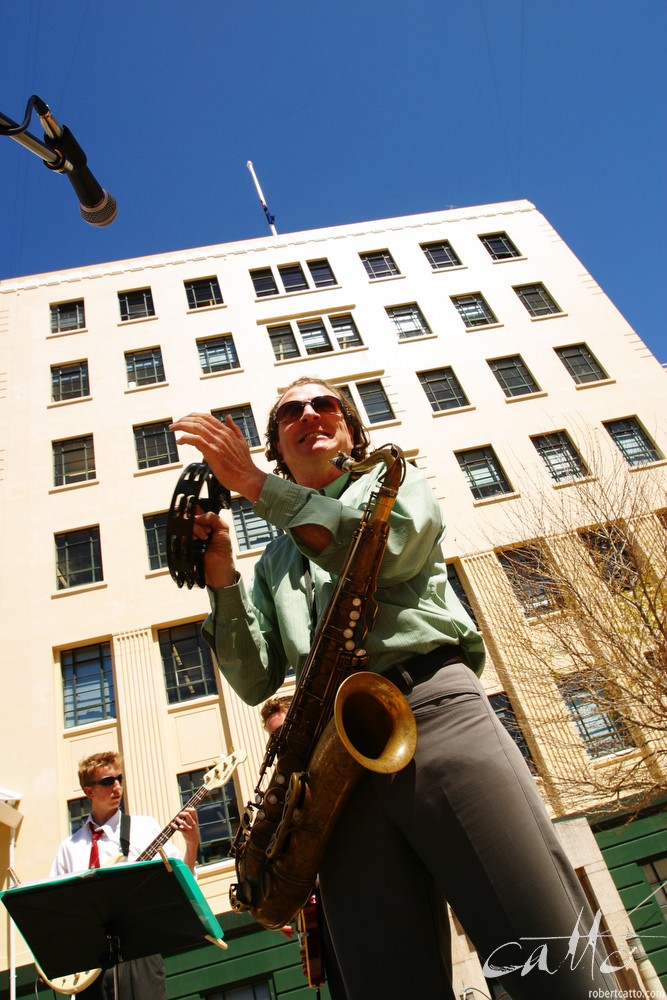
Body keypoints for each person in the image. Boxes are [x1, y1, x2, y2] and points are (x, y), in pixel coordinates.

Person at [170, 378, 619, 1000]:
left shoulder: (393, 480)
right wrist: (221, 576)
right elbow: (253, 680)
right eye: (289, 413)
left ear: (350, 429)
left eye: (325, 404)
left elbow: (393, 549)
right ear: (277, 444)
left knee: (548, 960)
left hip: (436, 713)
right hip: (333, 762)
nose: (309, 414)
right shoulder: (274, 561)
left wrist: (252, 485)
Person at [50, 751, 199, 1000]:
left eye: (119, 778)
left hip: (140, 954)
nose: (117, 786)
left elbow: (185, 882)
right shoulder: (70, 848)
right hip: (91, 965)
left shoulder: (144, 828)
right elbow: (58, 908)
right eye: (107, 782)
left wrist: (192, 844)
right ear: (89, 792)